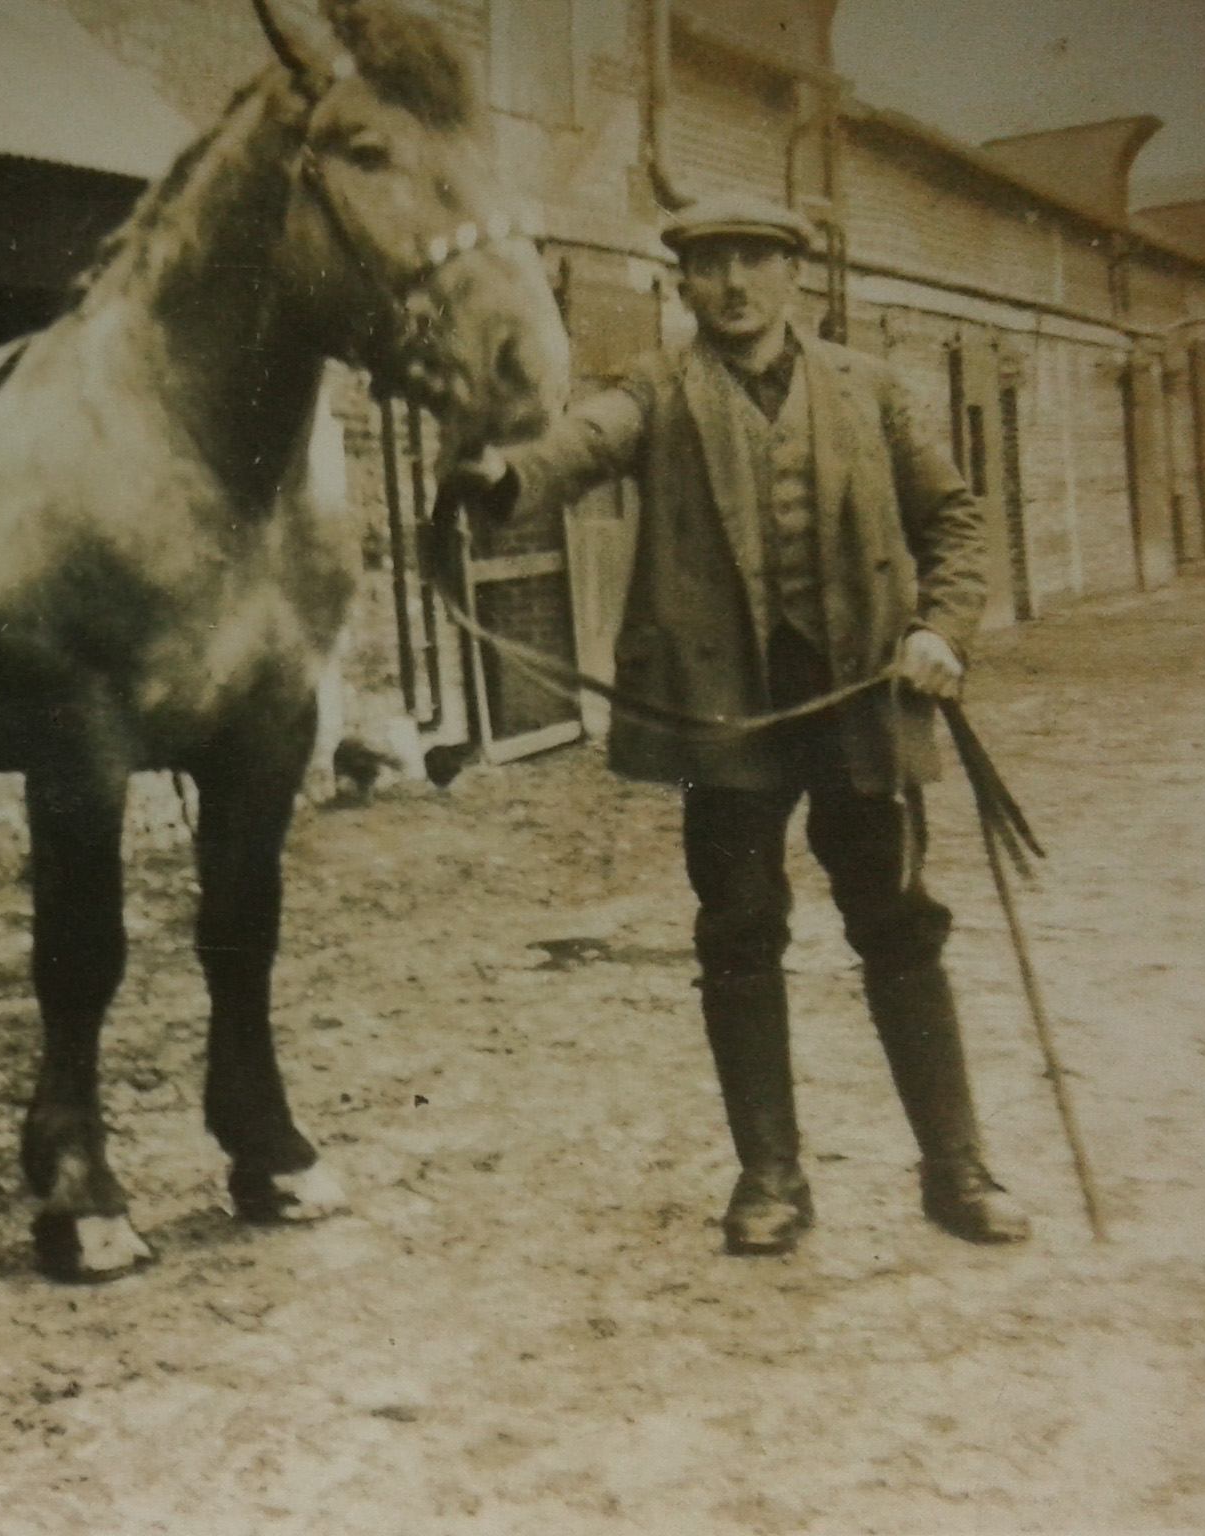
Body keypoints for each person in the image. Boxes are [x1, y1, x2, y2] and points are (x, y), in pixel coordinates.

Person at [454, 192, 1030, 1255]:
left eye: (752, 262)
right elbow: (583, 443)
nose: (731, 285)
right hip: (724, 719)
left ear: (791, 277)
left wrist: (943, 629)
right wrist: (504, 474)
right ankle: (769, 1177)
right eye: (709, 264)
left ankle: (957, 1169)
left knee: (897, 926)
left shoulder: (870, 388)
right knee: (738, 932)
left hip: (860, 703)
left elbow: (951, 516)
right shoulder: (657, 390)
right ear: (682, 283)